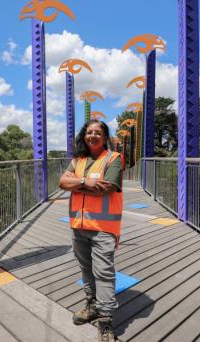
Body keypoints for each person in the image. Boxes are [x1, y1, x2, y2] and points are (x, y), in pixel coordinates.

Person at [59, 119, 124, 342]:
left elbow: (107, 189)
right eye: (89, 132)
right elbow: (61, 182)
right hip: (78, 225)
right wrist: (87, 182)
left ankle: (105, 321)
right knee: (86, 269)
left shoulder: (113, 159)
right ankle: (92, 304)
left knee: (103, 272)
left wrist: (76, 183)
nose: (92, 135)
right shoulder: (78, 160)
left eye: (98, 132)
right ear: (84, 136)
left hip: (103, 227)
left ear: (105, 138)